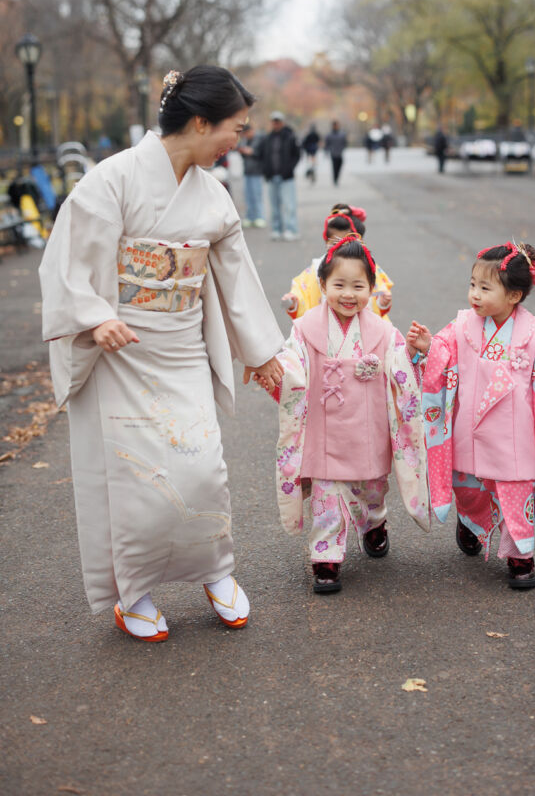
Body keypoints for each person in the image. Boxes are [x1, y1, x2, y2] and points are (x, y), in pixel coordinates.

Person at [39, 65, 285, 643]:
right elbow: (66, 263)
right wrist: (96, 317)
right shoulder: (111, 181)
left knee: (202, 469)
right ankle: (135, 593)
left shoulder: (213, 197)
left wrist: (262, 351)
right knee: (135, 484)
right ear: (201, 122)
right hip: (121, 352)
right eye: (235, 128)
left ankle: (215, 570)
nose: (238, 142)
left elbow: (236, 278)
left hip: (181, 347)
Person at [256, 237, 429, 593]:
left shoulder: (382, 331)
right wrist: (275, 369)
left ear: (371, 287)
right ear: (322, 285)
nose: (348, 294)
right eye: (338, 285)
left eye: (358, 286)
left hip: (369, 431)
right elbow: (292, 365)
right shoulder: (305, 328)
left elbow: (402, 371)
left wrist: (413, 353)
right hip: (324, 432)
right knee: (328, 496)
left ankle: (375, 522)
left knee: (371, 492)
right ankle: (326, 559)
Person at [407, 241, 535, 590]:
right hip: (469, 429)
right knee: (470, 489)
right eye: (473, 284)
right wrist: (428, 349)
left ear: (514, 296)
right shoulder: (461, 327)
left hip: (514, 437)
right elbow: (441, 358)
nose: (475, 294)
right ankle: (471, 523)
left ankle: (521, 556)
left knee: (515, 495)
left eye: (485, 288)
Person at [281, 203, 394, 320]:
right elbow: (302, 291)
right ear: (326, 242)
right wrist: (294, 301)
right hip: (325, 326)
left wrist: (382, 301)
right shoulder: (317, 267)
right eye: (335, 243)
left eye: (347, 242)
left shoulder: (366, 265)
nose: (340, 247)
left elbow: (378, 291)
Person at [260, 111, 300, 240]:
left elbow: (297, 154)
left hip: (286, 177)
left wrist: (290, 168)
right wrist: (265, 170)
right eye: (274, 121)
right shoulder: (268, 138)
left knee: (289, 204)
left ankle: (291, 229)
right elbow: (262, 155)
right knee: (274, 206)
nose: (276, 124)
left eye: (278, 121)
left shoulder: (290, 136)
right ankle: (276, 229)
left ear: (282, 122)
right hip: (272, 176)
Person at [236, 121, 266, 227]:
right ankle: (250, 217)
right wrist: (243, 151)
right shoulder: (244, 141)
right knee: (248, 195)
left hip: (256, 172)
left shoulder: (259, 139)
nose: (246, 135)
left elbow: (262, 153)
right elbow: (238, 148)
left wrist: (252, 152)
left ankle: (259, 216)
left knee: (256, 195)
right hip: (247, 171)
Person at [325, 120, 347, 185]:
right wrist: (326, 151)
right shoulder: (329, 134)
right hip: (333, 153)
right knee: (334, 167)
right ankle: (335, 179)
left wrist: (342, 148)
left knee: (339, 166)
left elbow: (344, 142)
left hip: (340, 153)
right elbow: (327, 144)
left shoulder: (342, 134)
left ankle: (337, 177)